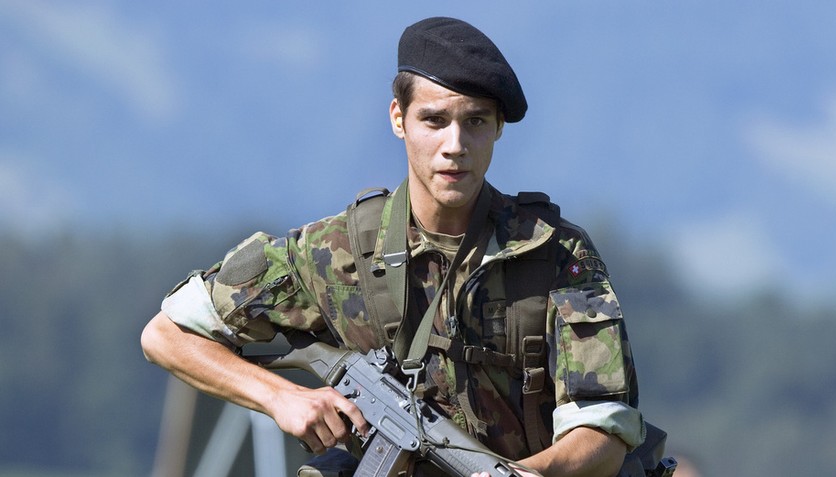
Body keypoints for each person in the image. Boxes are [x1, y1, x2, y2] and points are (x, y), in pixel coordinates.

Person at [141, 16, 646, 477]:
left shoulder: (555, 254)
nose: (455, 145)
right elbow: (167, 334)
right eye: (434, 120)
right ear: (398, 118)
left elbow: (603, 428)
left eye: (475, 121)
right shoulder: (333, 252)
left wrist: (531, 475)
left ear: (497, 129)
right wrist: (282, 397)